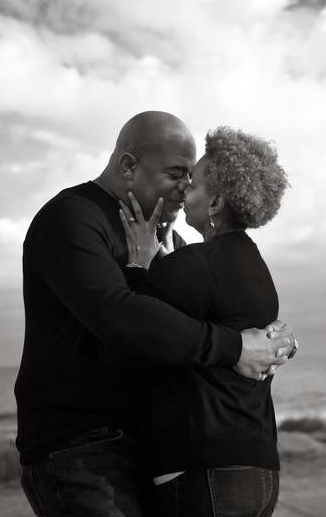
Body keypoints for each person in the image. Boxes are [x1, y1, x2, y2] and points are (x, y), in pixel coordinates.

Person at [15, 112, 296, 517]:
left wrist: (272, 344)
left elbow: (205, 322)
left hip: (152, 447)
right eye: (177, 174)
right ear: (129, 166)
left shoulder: (176, 242)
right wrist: (237, 346)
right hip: (81, 447)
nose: (185, 189)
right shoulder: (71, 218)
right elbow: (119, 316)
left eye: (191, 178)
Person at [118, 126, 290, 517]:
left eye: (191, 185)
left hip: (206, 471)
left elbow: (131, 322)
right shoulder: (257, 268)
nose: (182, 192)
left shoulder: (196, 264)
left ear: (215, 204)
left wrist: (138, 264)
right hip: (258, 467)